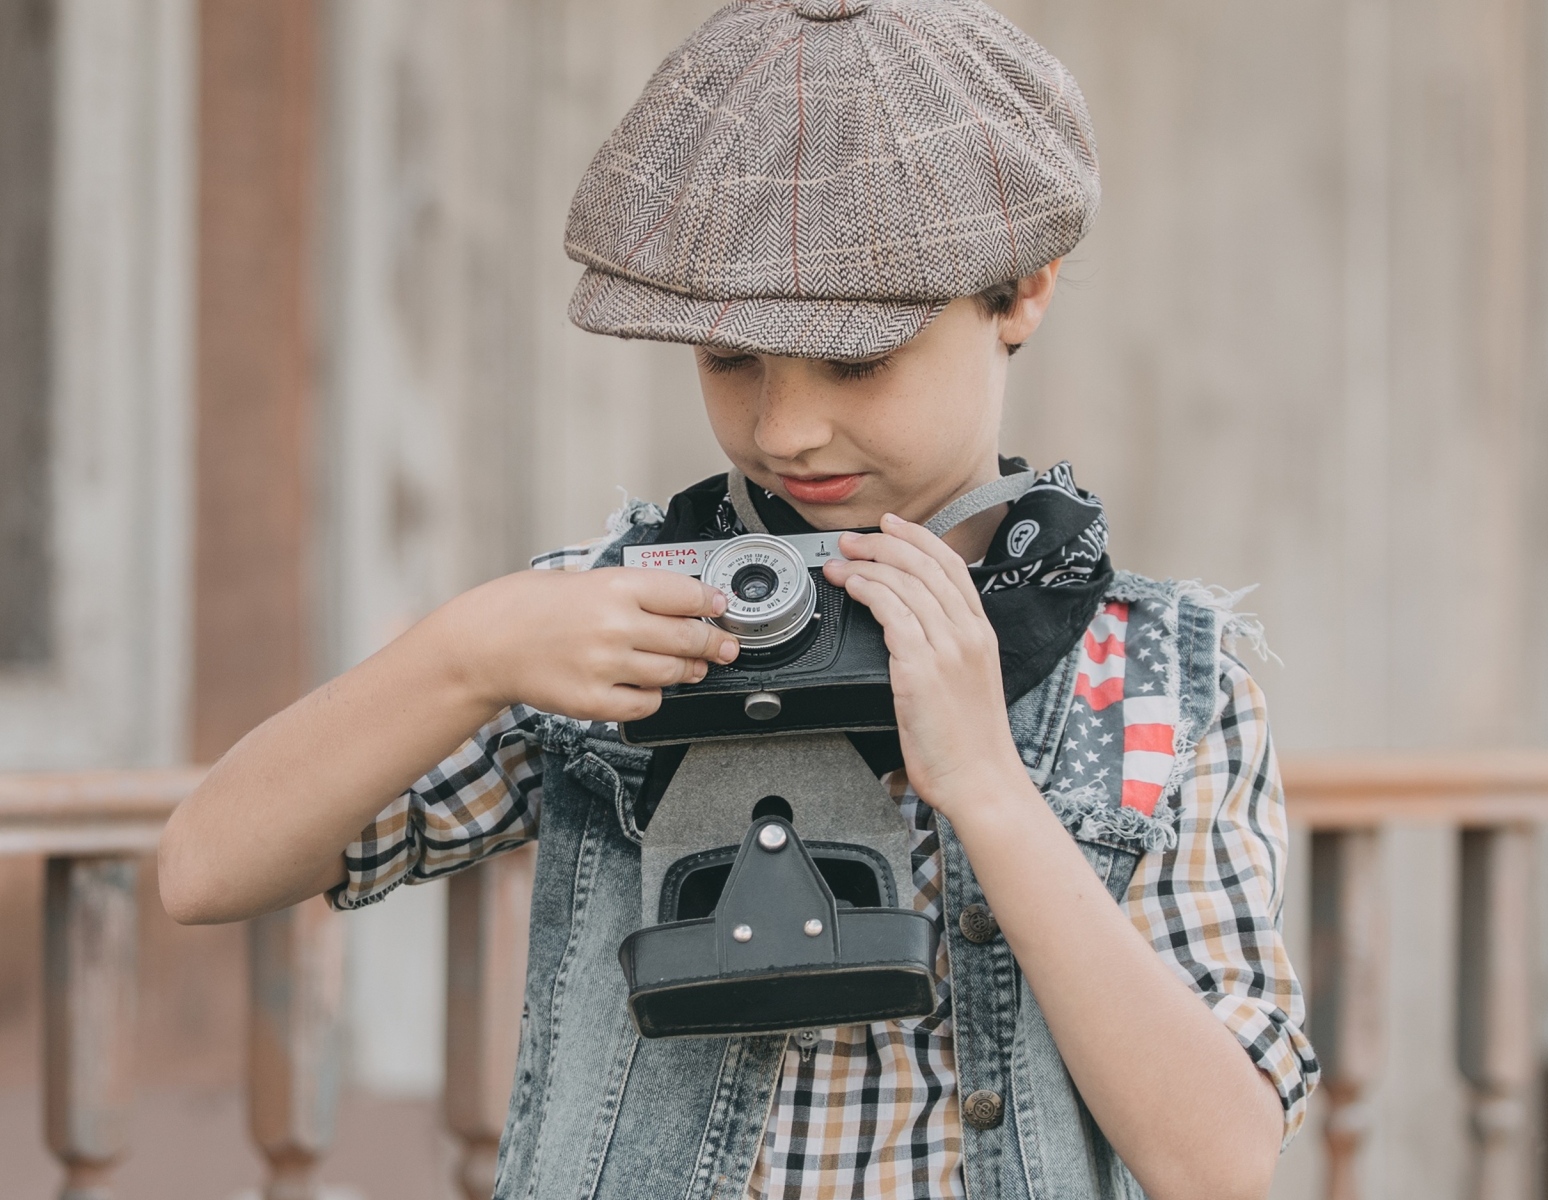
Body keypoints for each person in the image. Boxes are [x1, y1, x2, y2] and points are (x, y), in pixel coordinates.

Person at [159, 1, 1318, 1196]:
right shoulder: (612, 625)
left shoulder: (1156, 679)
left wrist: (986, 786)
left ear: (1022, 292)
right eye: (730, 361)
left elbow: (1220, 1163)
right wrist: (469, 652)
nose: (786, 428)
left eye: (856, 361)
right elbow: (205, 870)